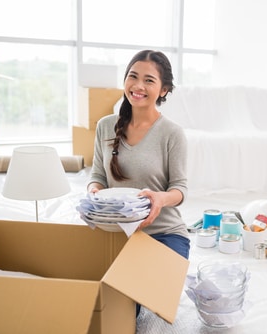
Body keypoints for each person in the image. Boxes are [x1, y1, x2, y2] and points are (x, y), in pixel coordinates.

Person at [86, 50, 190, 317]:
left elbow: (180, 189)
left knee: (139, 301)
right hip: (116, 231)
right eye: (133, 76)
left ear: (164, 89)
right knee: (99, 304)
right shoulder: (105, 126)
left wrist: (159, 198)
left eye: (149, 80)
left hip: (163, 234)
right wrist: (94, 195)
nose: (138, 86)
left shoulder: (172, 133)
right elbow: (96, 176)